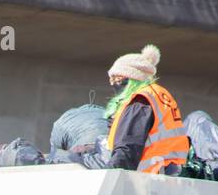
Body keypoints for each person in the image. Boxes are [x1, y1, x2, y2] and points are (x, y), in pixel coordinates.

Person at [75, 44, 189, 176]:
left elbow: (127, 149)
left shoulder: (140, 102)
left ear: (131, 78)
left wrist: (109, 177)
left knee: (64, 158)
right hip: (164, 171)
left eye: (116, 79)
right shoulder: (158, 95)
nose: (112, 84)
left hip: (144, 174)